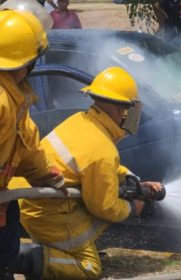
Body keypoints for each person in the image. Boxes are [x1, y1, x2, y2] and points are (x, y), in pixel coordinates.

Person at [15, 66, 163, 279]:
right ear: (123, 110)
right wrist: (133, 207)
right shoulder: (102, 149)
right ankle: (25, 258)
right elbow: (105, 206)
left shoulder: (82, 121)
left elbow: (97, 168)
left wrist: (135, 182)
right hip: (46, 214)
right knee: (89, 268)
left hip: (32, 200)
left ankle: (47, 253)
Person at [0, 5, 66, 280]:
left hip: (3, 201)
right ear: (27, 62)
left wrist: (47, 175)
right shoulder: (2, 101)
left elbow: (26, 144)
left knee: (8, 240)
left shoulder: (14, 97)